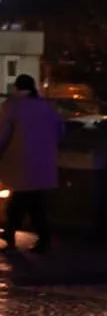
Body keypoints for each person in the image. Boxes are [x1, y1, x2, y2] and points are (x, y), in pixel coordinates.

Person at [3, 74, 67, 254]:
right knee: (34, 201)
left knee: (20, 201)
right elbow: (60, 131)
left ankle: (13, 235)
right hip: (43, 162)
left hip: (20, 161)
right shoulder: (47, 107)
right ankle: (39, 237)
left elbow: (3, 134)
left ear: (16, 88)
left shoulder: (11, 107)